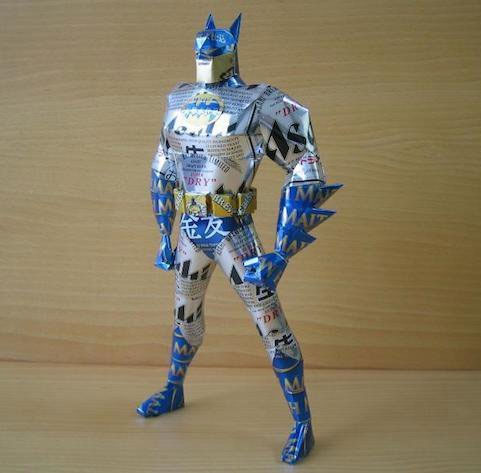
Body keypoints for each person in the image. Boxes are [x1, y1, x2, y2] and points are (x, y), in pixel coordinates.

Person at [136, 13, 341, 464]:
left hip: (234, 232)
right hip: (192, 231)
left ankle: (302, 422)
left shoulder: (260, 102)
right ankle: (174, 387)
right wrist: (164, 233)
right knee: (185, 317)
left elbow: (305, 163)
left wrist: (282, 251)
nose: (205, 56)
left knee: (271, 324)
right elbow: (163, 165)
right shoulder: (177, 100)